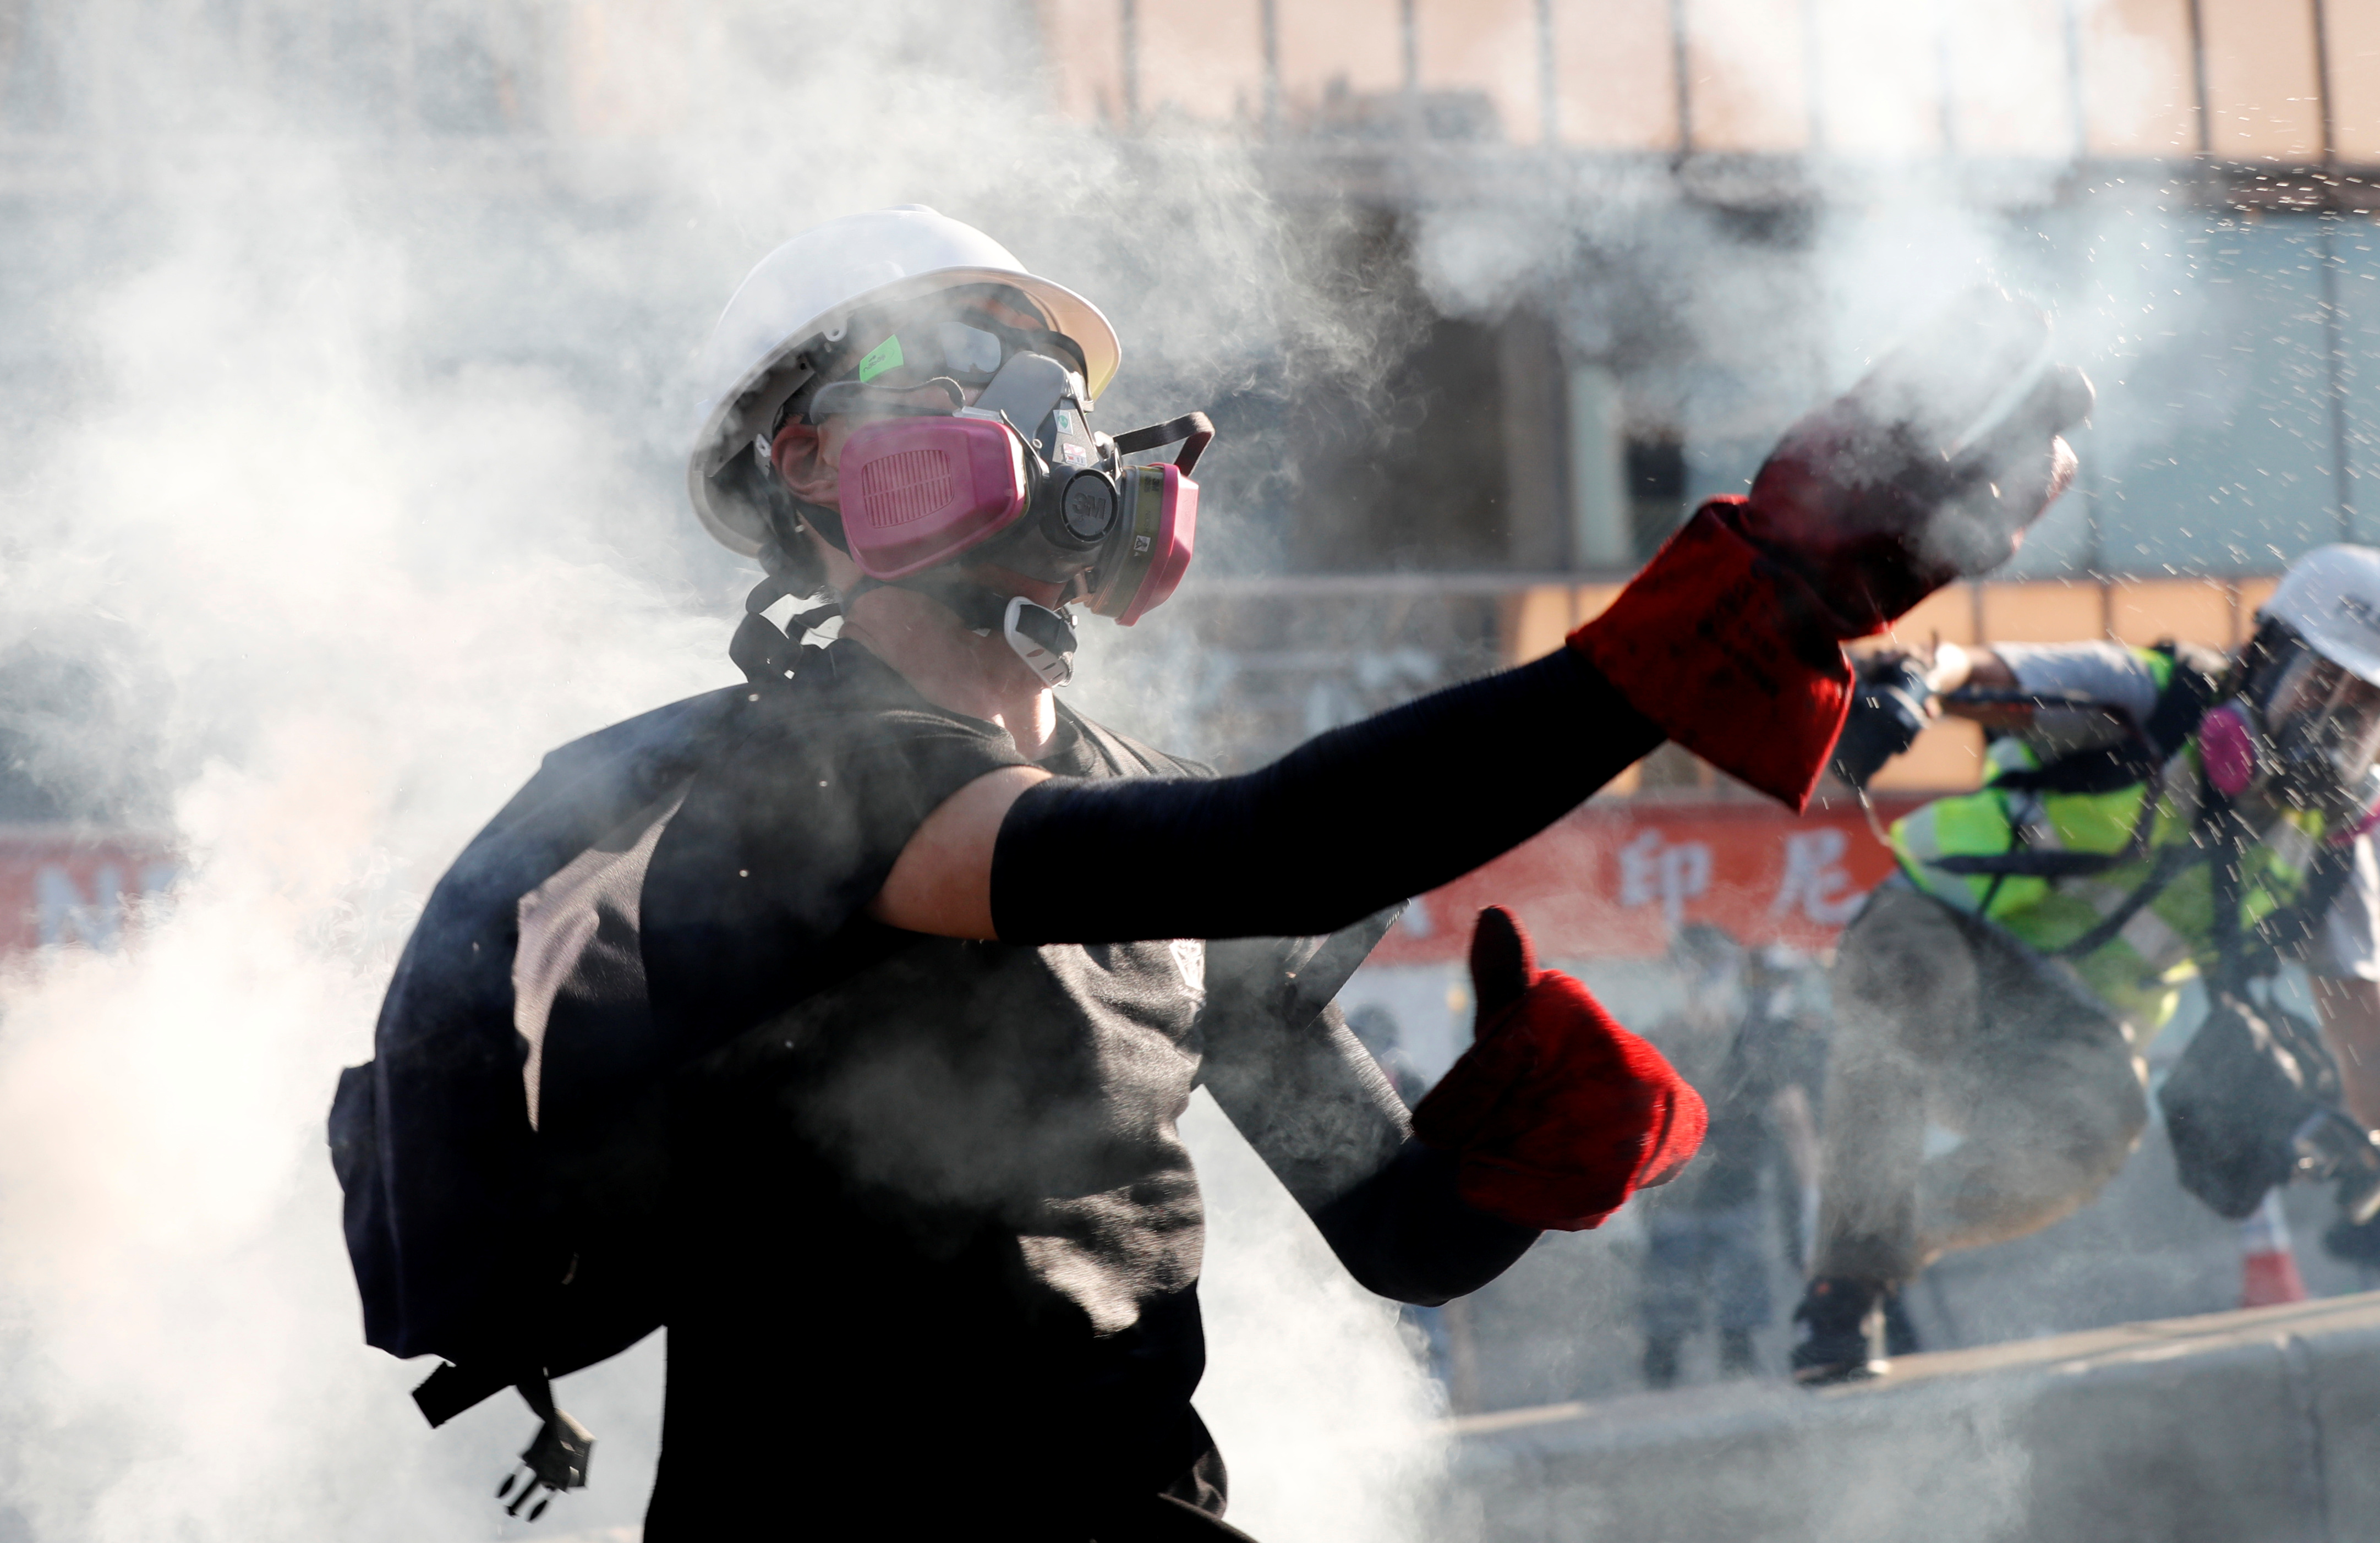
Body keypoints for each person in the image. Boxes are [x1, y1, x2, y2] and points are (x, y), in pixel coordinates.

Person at [356, 207, 2088, 1538]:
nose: (1037, 412)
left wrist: (1514, 1154)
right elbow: (1282, 843)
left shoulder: (1127, 816)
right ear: (805, 464)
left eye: (1046, 376)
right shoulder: (786, 783)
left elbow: (1392, 1231)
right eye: (954, 363)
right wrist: (1715, 622)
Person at [1792, 556, 2380, 1383]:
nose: (2340, 719)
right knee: (1908, 991)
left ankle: (1887, 1231)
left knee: (2092, 1132)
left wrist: (2372, 1154)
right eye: (2324, 682)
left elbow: (2364, 1035)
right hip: (1941, 929)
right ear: (2265, 657)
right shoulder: (2156, 700)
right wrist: (1911, 685)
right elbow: (1981, 670)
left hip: (2065, 1033)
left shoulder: (2333, 853)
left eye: (2368, 704)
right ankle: (1842, 1294)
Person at [1637, 933, 1827, 1385]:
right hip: (1672, 1206)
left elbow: (1793, 1116)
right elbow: (1630, 1121)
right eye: (1695, 966)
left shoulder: (1752, 1042)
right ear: (1677, 975)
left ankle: (1736, 1417)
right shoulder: (1658, 1042)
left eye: (1714, 966)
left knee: (1738, 1330)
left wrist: (1813, 1199)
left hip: (1736, 1198)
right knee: (1664, 1334)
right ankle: (1663, 1412)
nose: (1705, 978)